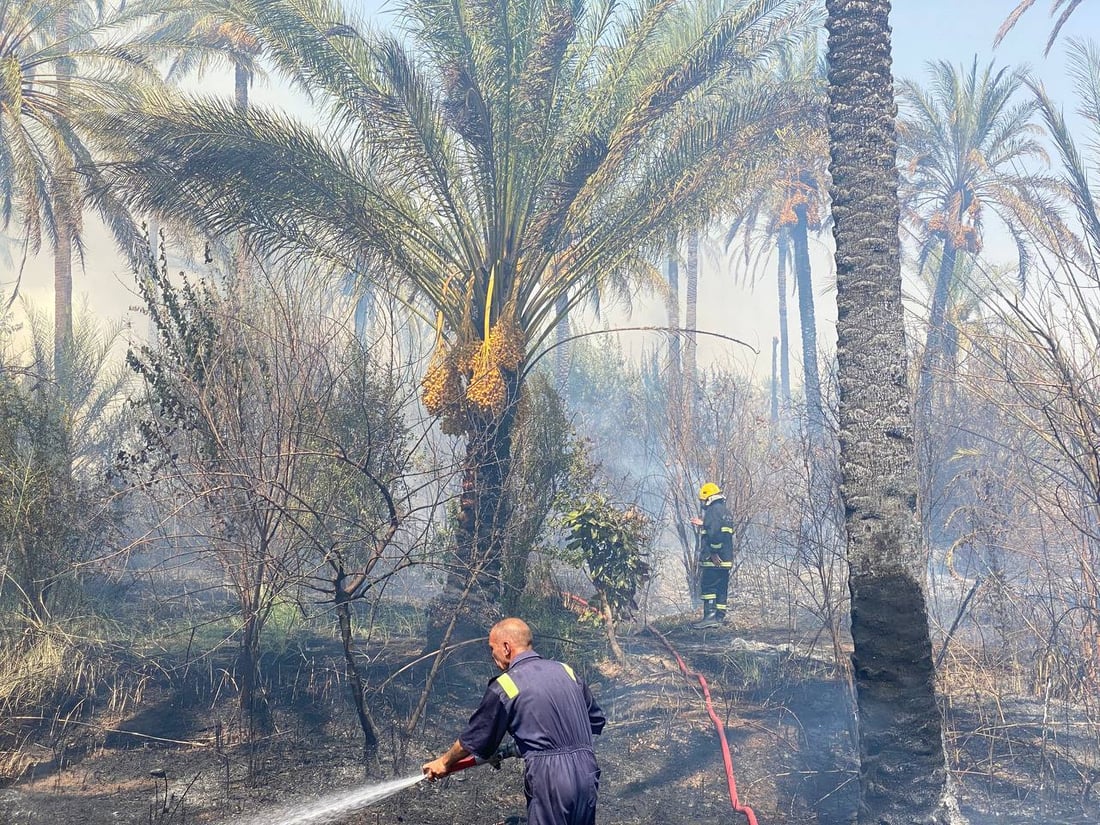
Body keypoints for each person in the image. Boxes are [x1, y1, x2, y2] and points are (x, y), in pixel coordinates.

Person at [423, 617, 606, 825]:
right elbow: (595, 720)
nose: (492, 655)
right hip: (587, 771)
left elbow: (475, 739)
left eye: (492, 648)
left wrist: (443, 762)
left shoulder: (507, 685)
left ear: (506, 647)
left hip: (551, 777)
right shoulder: (566, 671)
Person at [691, 482, 734, 628]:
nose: (703, 504)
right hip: (726, 559)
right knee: (721, 588)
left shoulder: (712, 511)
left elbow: (715, 534)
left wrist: (714, 553)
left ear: (708, 497)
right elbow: (719, 529)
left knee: (709, 587)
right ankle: (719, 617)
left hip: (714, 559)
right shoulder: (725, 511)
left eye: (703, 500)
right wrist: (704, 524)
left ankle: (709, 617)